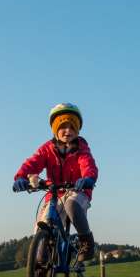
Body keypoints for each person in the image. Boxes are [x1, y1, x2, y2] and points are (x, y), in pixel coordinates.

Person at [12, 103, 99, 264]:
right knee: (42, 224)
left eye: (72, 127)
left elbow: (88, 165)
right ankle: (39, 266)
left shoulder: (81, 148)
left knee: (71, 205)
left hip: (77, 190)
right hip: (54, 192)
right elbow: (32, 163)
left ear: (77, 131)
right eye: (63, 127)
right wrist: (20, 177)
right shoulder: (47, 149)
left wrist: (88, 178)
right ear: (55, 129)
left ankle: (86, 242)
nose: (68, 131)